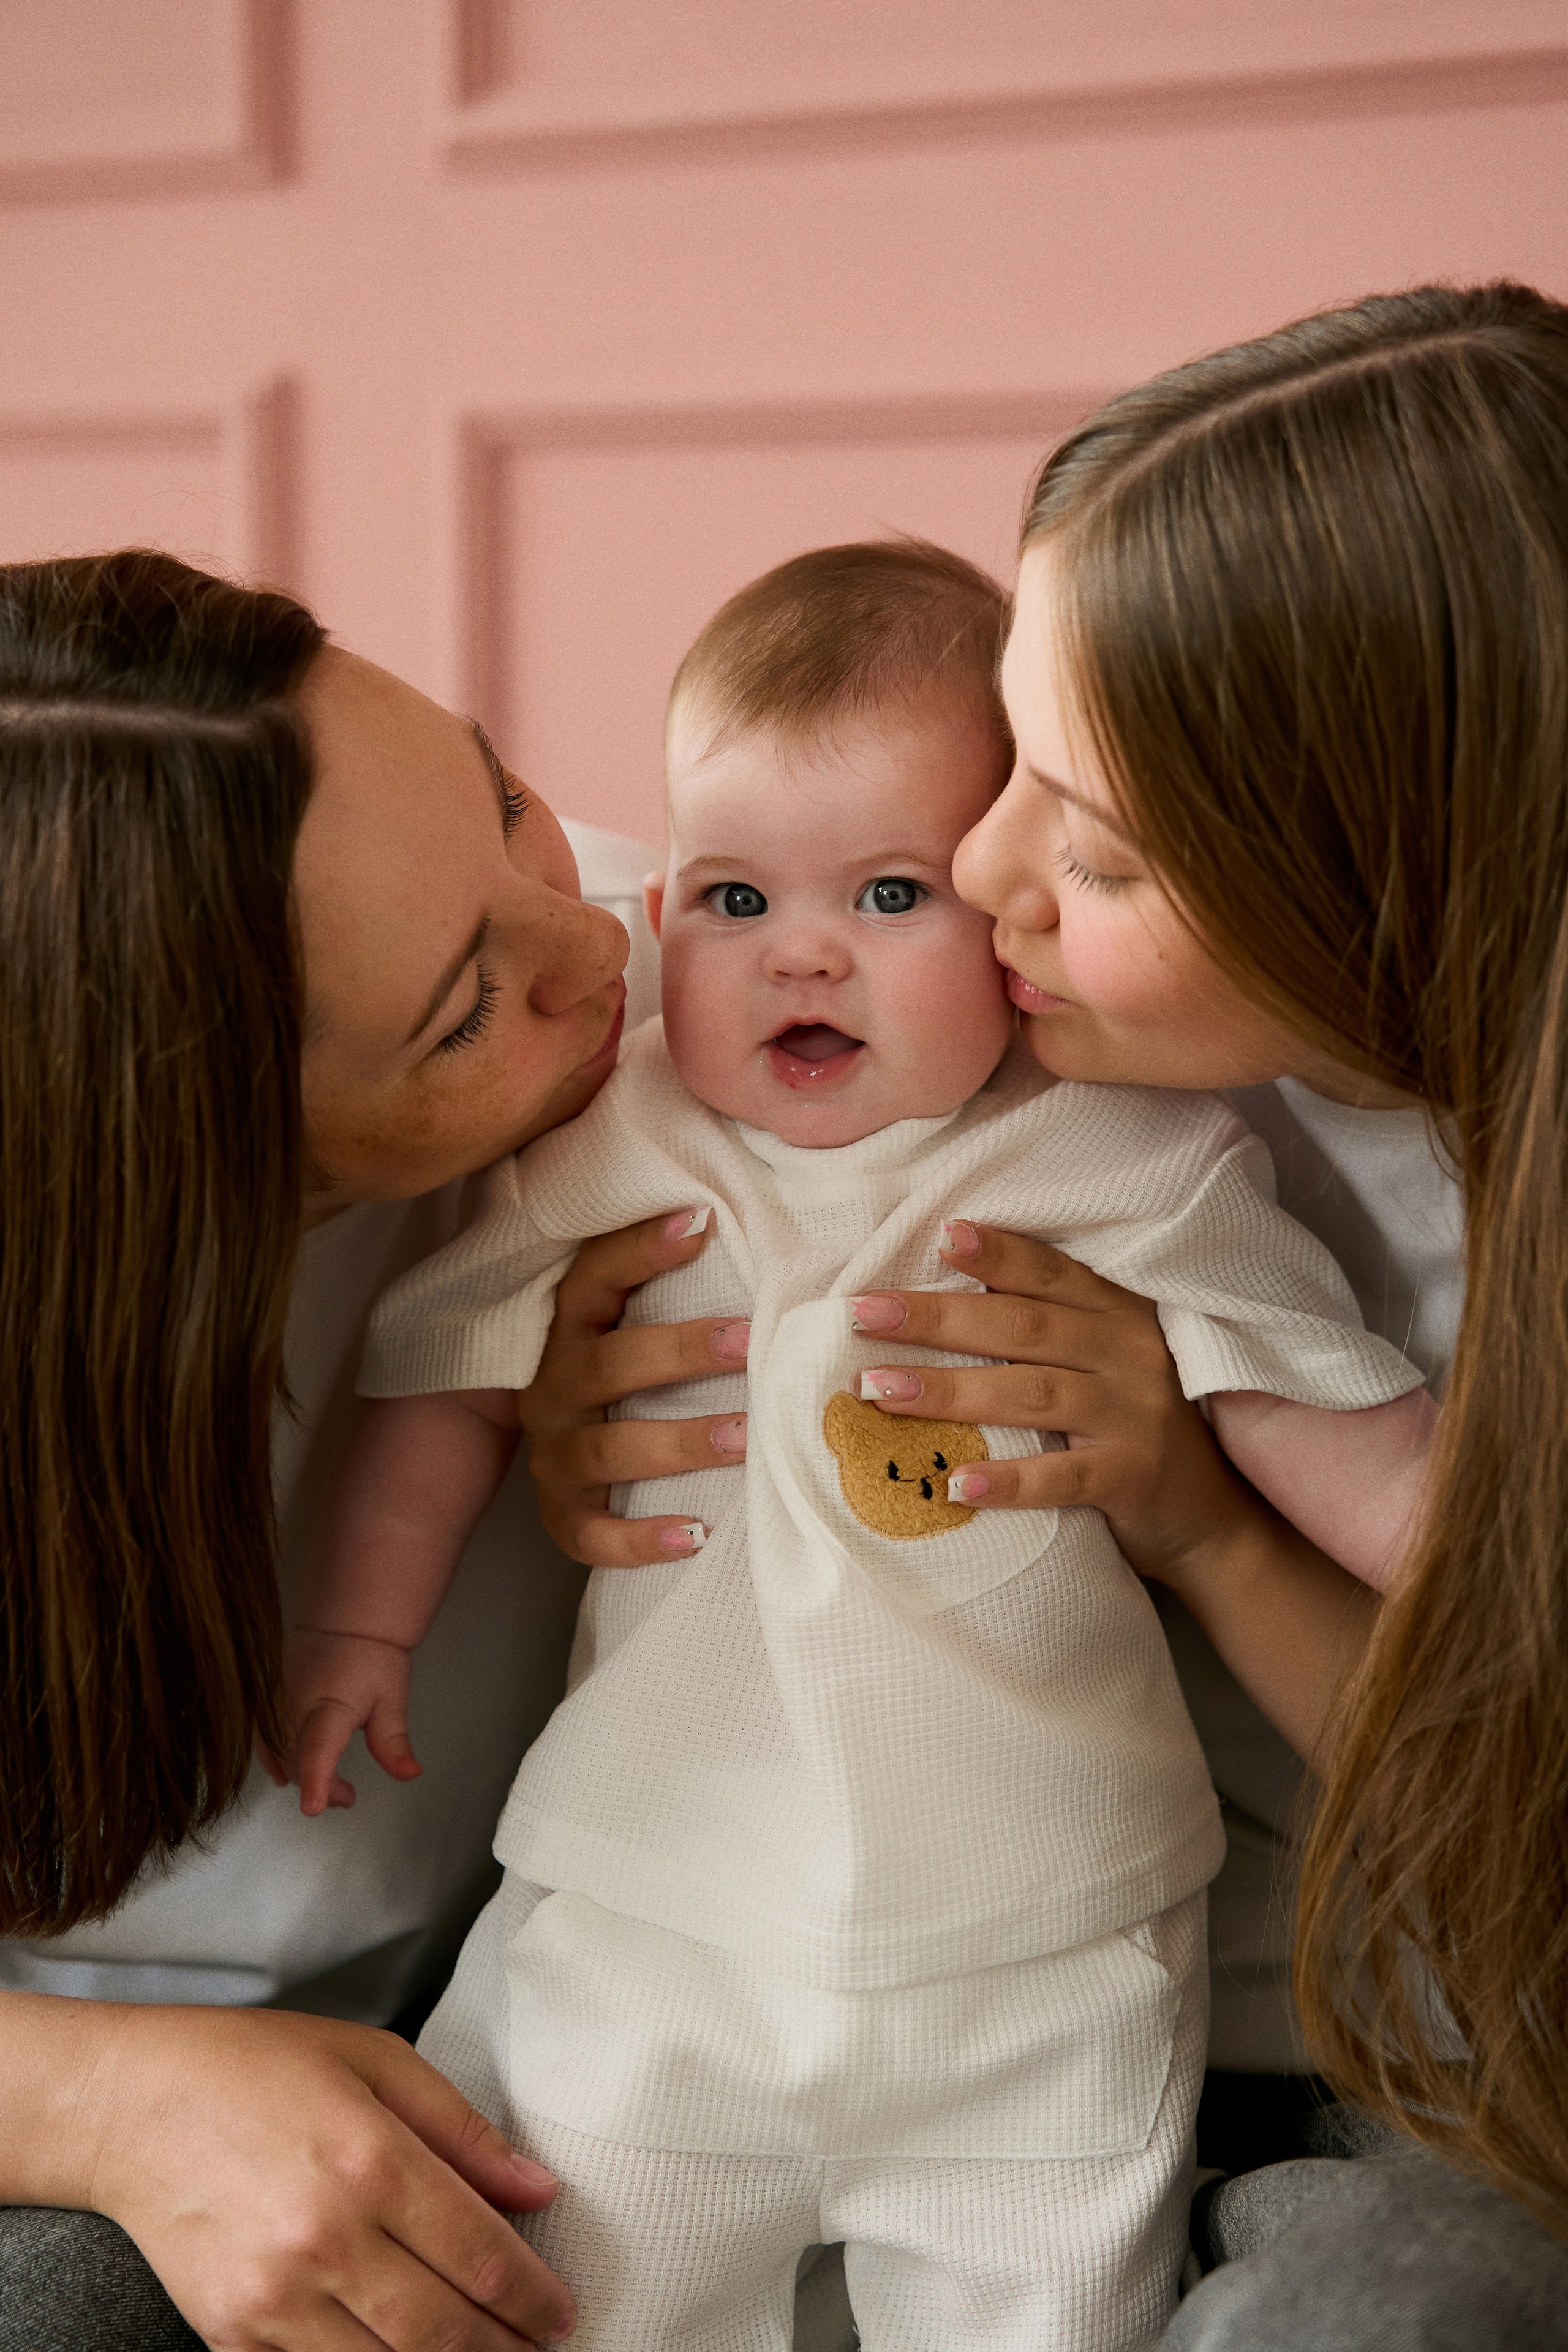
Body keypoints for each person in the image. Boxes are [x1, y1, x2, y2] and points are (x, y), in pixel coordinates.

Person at [282, 541, 1428, 2351]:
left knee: (1043, 2302)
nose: (799, 951)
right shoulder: (626, 1126)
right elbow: (446, 1380)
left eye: (891, 892)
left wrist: (1469, 1564)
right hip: (669, 1901)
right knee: (590, 2288)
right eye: (732, 897)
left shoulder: (1114, 1152)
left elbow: (1310, 1406)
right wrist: (358, 1631)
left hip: (1046, 1925)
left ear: (1015, 915)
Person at [785, 281, 1564, 2348]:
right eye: (1012, 765)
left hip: (1469, 2048)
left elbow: (1519, 1893)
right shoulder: (1059, 1049)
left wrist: (1208, 1523)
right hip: (983, 2006)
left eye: (1102, 851)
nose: (977, 869)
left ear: (1389, 883)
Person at [0, 546, 725, 2351]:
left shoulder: (699, 984)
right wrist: (97, 2103)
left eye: (504, 798)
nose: (604, 947)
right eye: (466, 1011)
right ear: (197, 1180)